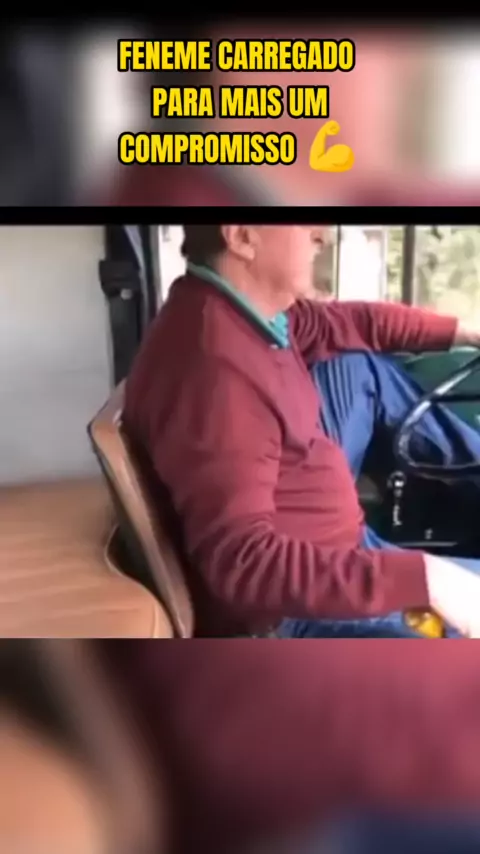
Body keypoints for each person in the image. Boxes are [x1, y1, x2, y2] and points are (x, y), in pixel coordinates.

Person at [124, 225, 480, 638]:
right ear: (242, 237)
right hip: (301, 611)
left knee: (355, 365)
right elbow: (245, 564)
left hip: (334, 543)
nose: (322, 236)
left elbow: (347, 323)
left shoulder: (243, 312)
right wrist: (424, 579)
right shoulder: (217, 374)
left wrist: (466, 332)